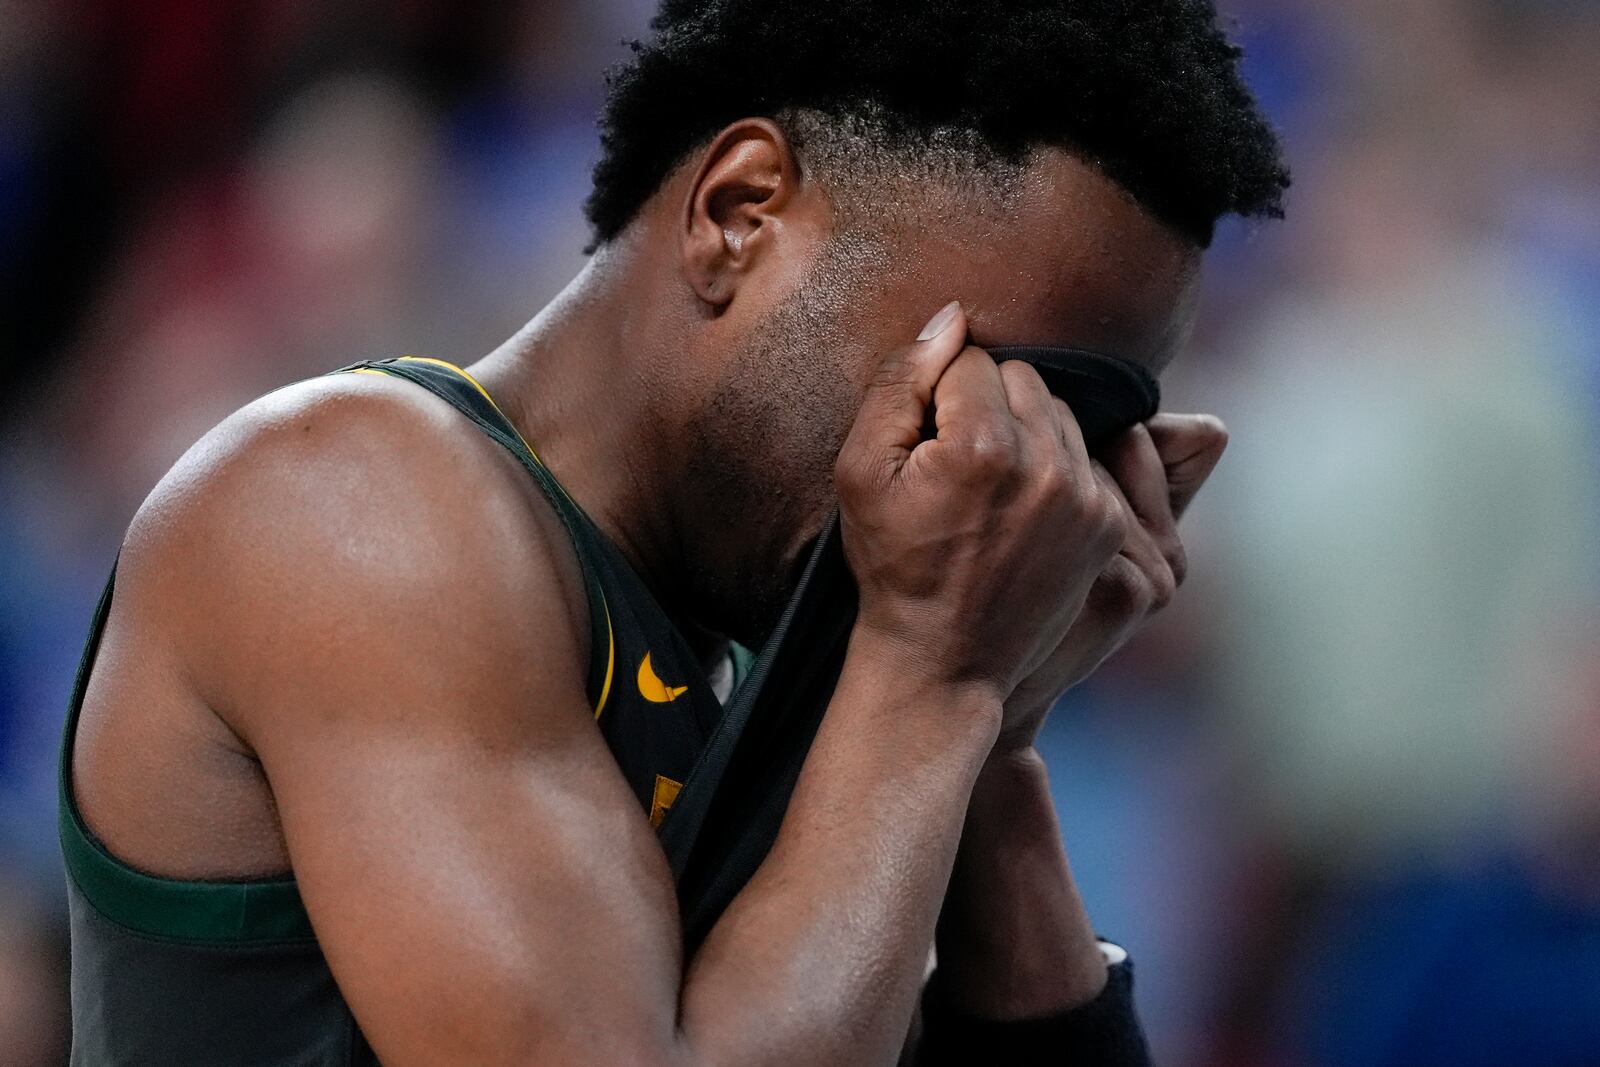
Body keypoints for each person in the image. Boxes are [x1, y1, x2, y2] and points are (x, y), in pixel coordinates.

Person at [58, 0, 1287, 1063]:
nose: (1015, 479)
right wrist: (937, 676)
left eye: (1069, 428)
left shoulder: (825, 658)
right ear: (737, 213)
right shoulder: (351, 499)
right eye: (980, 387)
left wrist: (998, 738)